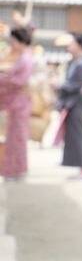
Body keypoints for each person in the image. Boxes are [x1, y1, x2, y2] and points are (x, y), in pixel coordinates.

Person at [0, 26, 35, 182]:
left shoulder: (26, 58)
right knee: (14, 137)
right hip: (17, 102)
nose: (12, 44)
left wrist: (3, 79)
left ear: (21, 41)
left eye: (13, 41)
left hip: (19, 102)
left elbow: (18, 81)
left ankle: (17, 170)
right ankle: (14, 170)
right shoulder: (24, 57)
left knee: (17, 138)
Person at [57, 33, 82, 179]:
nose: (69, 46)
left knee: (77, 136)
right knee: (74, 136)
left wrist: (60, 85)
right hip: (73, 103)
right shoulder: (75, 62)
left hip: (77, 104)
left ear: (79, 45)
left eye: (72, 43)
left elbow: (78, 85)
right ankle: (79, 167)